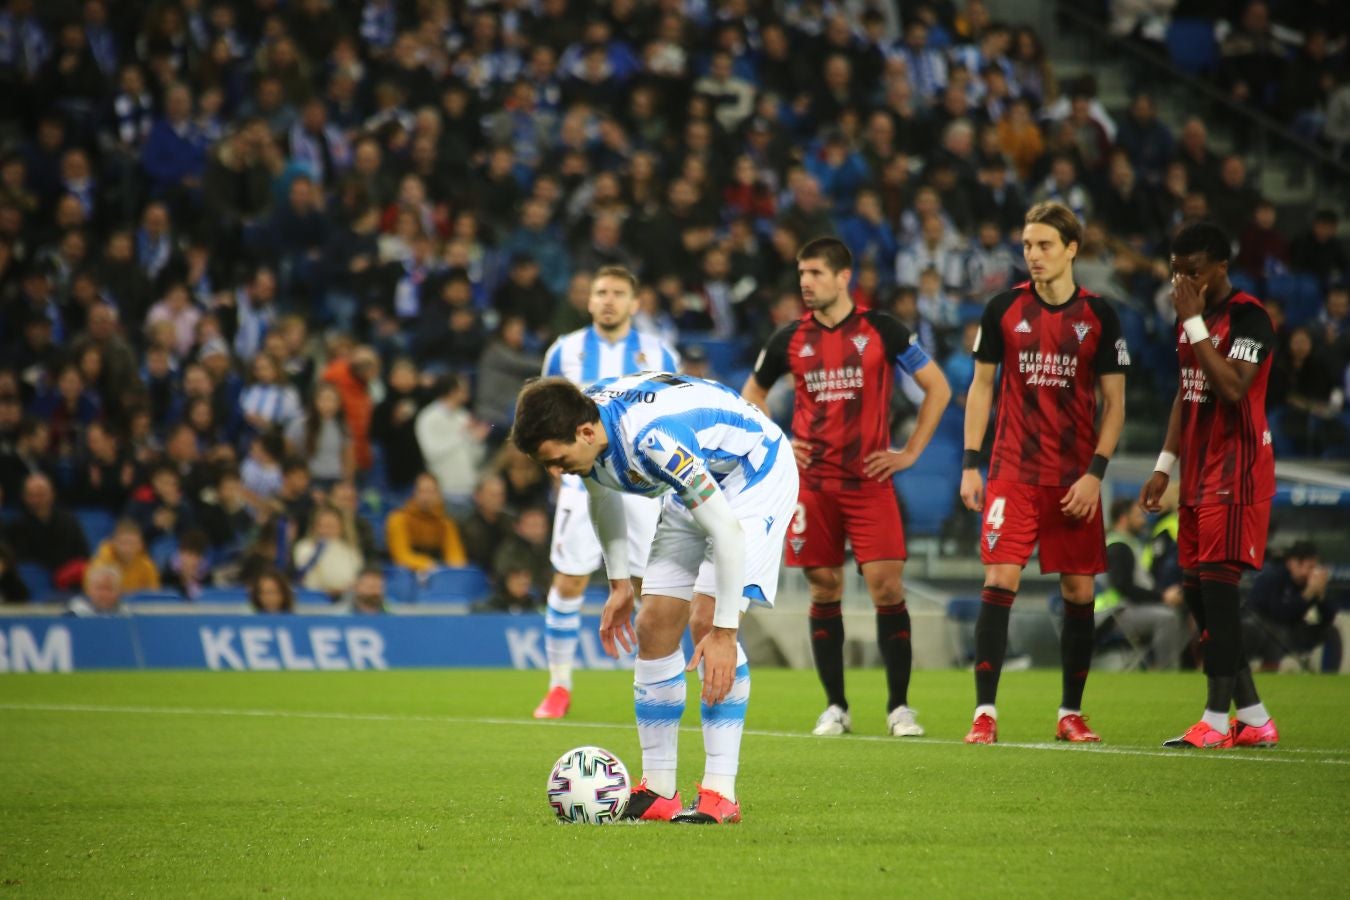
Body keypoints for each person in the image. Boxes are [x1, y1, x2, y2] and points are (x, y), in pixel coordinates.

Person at [512, 372, 798, 825]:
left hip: (753, 473)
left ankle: (720, 793)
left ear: (586, 433)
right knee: (653, 626)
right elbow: (602, 494)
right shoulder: (588, 432)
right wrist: (620, 582)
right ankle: (660, 789)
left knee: (706, 620)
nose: (555, 470)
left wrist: (725, 631)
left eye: (558, 459)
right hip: (699, 475)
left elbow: (726, 530)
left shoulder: (653, 441)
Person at [742, 237, 951, 738]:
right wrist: (776, 442)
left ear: (843, 277)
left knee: (886, 586)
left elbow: (938, 388)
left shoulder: (883, 330)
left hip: (869, 482)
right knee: (824, 586)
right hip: (812, 486)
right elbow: (751, 396)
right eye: (801, 275)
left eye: (814, 273)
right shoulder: (789, 338)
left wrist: (911, 453)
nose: (806, 283)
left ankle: (899, 708)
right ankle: (835, 706)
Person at [959, 201, 1129, 744]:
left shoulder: (1100, 315)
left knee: (1080, 591)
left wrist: (1095, 474)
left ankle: (1069, 713)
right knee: (999, 578)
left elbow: (1115, 402)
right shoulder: (1003, 309)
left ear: (1072, 249)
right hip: (1012, 471)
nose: (1033, 255)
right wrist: (970, 462)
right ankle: (985, 713)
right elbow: (981, 387)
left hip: (1074, 478)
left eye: (1044, 245)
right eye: (1028, 246)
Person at [1141, 221, 1280, 749]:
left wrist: (1195, 324)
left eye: (1193, 272)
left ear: (1221, 267)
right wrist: (1163, 464)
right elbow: (1188, 390)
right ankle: (1255, 716)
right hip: (1198, 477)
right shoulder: (1189, 320)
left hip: (1237, 474)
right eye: (1177, 272)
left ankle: (1215, 722)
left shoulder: (1250, 318)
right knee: (1200, 600)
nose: (1183, 283)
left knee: (1220, 602)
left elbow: (1229, 388)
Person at [531, 265, 678, 721]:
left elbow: (672, 411)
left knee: (645, 585)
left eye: (618, 293)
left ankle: (651, 683)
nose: (608, 300)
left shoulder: (659, 352)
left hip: (641, 482)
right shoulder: (565, 350)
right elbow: (543, 409)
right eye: (600, 292)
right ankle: (558, 687)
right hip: (581, 478)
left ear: (635, 303)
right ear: (589, 300)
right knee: (570, 578)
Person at [1094, 499, 1188, 670]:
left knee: (1180, 614)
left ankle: (1165, 666)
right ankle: (1165, 670)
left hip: (1123, 609)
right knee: (1168, 618)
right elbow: (1124, 587)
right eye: (1138, 516)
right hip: (1114, 613)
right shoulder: (1118, 547)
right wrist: (1162, 597)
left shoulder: (1127, 543)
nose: (1143, 520)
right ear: (1123, 519)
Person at [1243, 541, 1340, 673]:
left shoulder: (1311, 582)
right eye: (1309, 567)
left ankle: (1330, 674)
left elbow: (1329, 617)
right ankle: (1254, 671)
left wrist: (1321, 596)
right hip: (1262, 627)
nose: (1313, 571)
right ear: (1292, 563)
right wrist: (1307, 594)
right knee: (1275, 630)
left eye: (1315, 566)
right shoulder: (1274, 575)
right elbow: (1278, 614)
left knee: (1331, 631)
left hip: (1292, 628)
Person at [385, 472, 468, 575]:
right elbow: (401, 555)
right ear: (414, 493)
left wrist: (454, 569)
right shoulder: (398, 519)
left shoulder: (445, 523)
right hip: (407, 576)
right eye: (422, 491)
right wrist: (427, 565)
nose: (426, 497)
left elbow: (456, 557)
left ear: (439, 495)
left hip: (438, 574)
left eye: (431, 492)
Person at [291, 504, 363, 598]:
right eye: (322, 525)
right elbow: (304, 575)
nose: (326, 530)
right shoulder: (304, 547)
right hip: (314, 598)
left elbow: (357, 576)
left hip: (345, 598)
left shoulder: (350, 550)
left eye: (331, 526)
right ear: (315, 527)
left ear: (341, 528)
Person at [86, 519, 160, 594]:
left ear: (140, 545)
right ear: (114, 543)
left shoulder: (148, 566)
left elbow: (153, 596)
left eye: (132, 543)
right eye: (124, 543)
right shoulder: (100, 565)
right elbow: (91, 594)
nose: (128, 548)